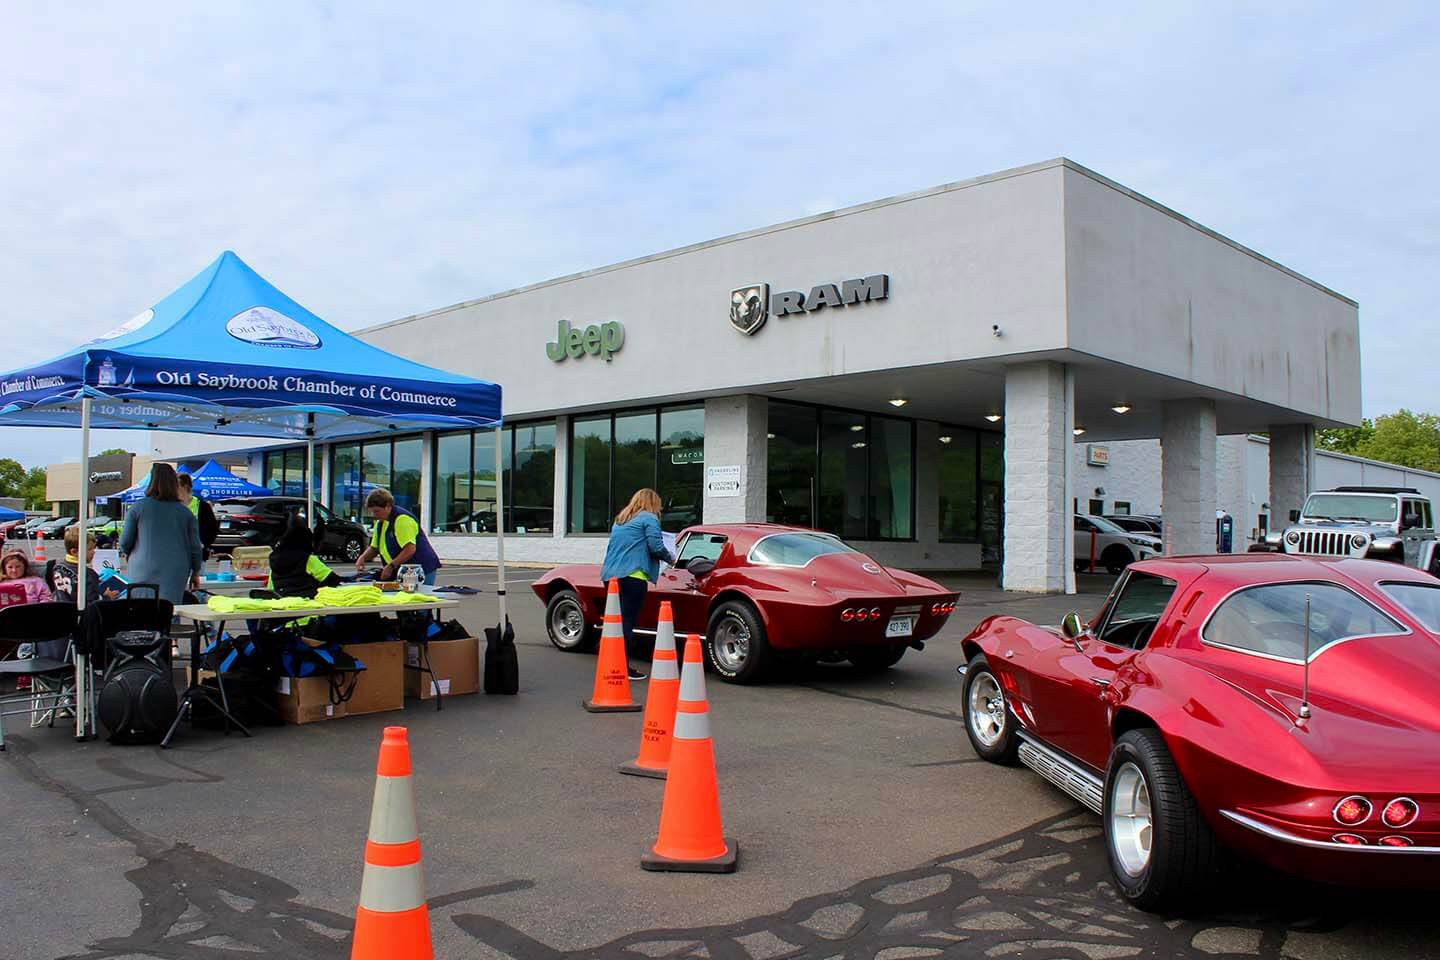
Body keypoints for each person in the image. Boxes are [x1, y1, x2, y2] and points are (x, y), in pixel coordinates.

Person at [599, 488, 674, 681]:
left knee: (614, 622)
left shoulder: (621, 520)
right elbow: (656, 546)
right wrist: (672, 558)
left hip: (610, 577)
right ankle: (622, 666)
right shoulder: (649, 518)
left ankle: (610, 662)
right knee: (627, 622)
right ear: (653, 503)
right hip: (634, 575)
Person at [118, 462, 203, 604]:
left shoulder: (137, 508)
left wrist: (128, 553)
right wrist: (195, 571)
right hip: (175, 571)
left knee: (141, 610)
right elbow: (195, 547)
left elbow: (125, 542)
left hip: (141, 569)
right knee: (169, 611)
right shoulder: (185, 513)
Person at [355, 488, 441, 586]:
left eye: (376, 511)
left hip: (421, 569)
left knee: (418, 597)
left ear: (388, 506)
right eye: (371, 512)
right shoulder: (380, 522)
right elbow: (375, 547)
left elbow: (409, 549)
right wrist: (363, 558)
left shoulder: (402, 520)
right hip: (404, 570)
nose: (373, 515)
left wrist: (391, 566)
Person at [267, 513, 342, 598]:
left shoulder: (274, 561)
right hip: (308, 603)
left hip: (283, 603)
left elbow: (271, 588)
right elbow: (332, 580)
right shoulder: (308, 559)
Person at [51, 526, 122, 605]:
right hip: (81, 615)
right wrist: (107, 597)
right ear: (74, 552)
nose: (94, 552)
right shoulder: (88, 574)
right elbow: (92, 603)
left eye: (94, 548)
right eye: (90, 549)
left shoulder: (57, 567)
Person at [178, 473, 219, 559]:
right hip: (177, 554)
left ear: (185, 487)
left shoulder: (202, 506)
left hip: (197, 554)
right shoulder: (172, 506)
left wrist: (203, 544)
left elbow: (213, 529)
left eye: (176, 487)